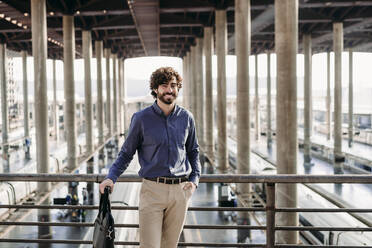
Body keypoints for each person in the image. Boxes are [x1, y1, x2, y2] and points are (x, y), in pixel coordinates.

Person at [99, 66, 201, 248]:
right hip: (152, 191)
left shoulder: (187, 118)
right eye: (164, 85)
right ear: (155, 89)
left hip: (180, 191)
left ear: (178, 88)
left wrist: (194, 180)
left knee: (170, 246)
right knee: (149, 246)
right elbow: (126, 153)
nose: (169, 90)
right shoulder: (141, 118)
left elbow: (193, 151)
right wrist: (111, 177)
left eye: (173, 85)